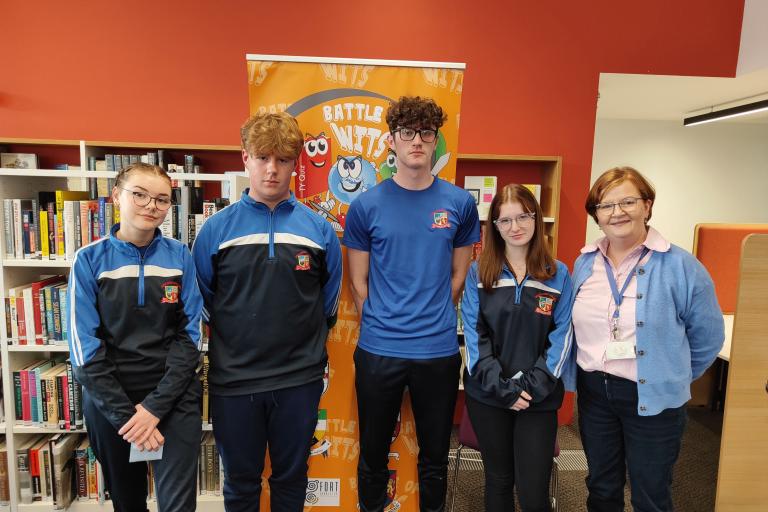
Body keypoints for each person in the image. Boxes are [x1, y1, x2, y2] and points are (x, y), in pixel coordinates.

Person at [192, 111, 342, 512]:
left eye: (282, 160)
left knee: (291, 481)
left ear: (296, 164)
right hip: (234, 383)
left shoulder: (319, 230)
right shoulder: (215, 230)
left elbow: (327, 304)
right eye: (262, 158)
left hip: (299, 380)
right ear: (245, 158)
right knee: (241, 486)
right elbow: (204, 302)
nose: (272, 170)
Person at [343, 96, 480, 512]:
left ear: (435, 141)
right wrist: (387, 323)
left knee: (435, 457)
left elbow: (458, 277)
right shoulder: (366, 206)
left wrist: (431, 318)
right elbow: (358, 283)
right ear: (392, 141)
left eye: (425, 133)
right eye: (407, 133)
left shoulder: (459, 204)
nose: (417, 141)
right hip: (378, 352)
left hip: (437, 353)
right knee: (371, 457)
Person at [568, 166, 724, 512]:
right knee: (601, 486)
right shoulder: (585, 262)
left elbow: (708, 337)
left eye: (627, 201)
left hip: (652, 396)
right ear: (596, 214)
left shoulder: (681, 266)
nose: (617, 212)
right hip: (595, 392)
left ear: (647, 206)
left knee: (650, 492)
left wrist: (671, 374)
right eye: (606, 205)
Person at [68, 163, 203, 512]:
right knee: (127, 502)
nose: (150, 206)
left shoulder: (180, 257)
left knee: (177, 504)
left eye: (161, 199)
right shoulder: (89, 260)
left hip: (173, 398)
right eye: (139, 195)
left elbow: (190, 339)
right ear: (117, 197)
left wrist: (154, 408)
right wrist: (129, 417)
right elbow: (84, 352)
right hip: (111, 401)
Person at [461, 184, 574, 512]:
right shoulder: (478, 273)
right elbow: (474, 335)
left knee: (533, 489)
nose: (515, 227)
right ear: (493, 227)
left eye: (523, 216)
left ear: (536, 218)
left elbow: (562, 335)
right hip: (489, 395)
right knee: (498, 480)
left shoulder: (557, 274)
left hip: (538, 399)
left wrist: (530, 387)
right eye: (505, 220)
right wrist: (503, 389)